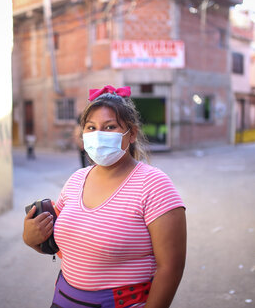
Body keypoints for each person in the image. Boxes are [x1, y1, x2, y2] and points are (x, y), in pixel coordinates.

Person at [23, 85, 187, 308]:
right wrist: (32, 239)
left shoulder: (155, 185)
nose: (98, 135)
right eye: (91, 127)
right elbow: (68, 245)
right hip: (63, 300)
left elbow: (171, 267)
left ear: (132, 134)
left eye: (110, 127)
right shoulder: (76, 180)